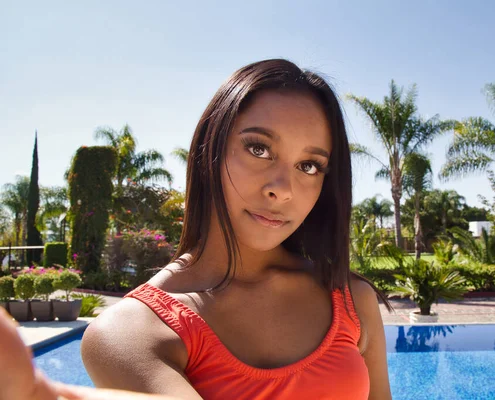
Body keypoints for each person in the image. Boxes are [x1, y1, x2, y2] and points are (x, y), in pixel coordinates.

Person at [0, 59, 392, 400]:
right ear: (210, 151)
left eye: (309, 166)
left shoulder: (351, 299)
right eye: (259, 149)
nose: (282, 189)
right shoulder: (132, 331)